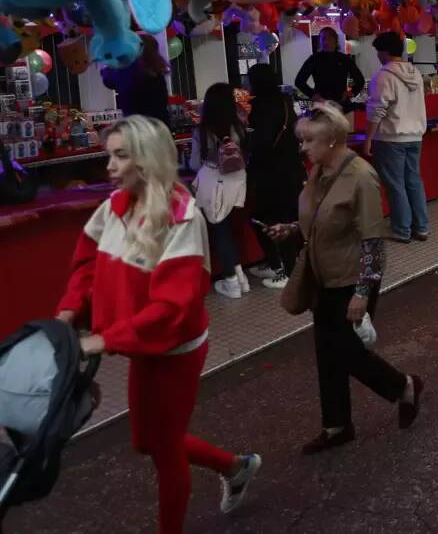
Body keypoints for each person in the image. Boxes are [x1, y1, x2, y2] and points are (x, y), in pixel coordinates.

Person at [57, 115, 261, 532]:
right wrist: (68, 311)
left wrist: (102, 340)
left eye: (120, 156)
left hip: (175, 350)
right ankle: (235, 466)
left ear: (148, 160)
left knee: (164, 448)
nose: (109, 167)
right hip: (140, 343)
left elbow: (173, 308)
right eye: (108, 156)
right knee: (145, 441)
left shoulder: (182, 217)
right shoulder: (114, 206)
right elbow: (86, 265)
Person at [264, 103, 423, 454]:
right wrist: (290, 230)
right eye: (301, 140)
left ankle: (403, 386)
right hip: (323, 277)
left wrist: (363, 293)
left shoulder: (361, 177)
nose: (302, 148)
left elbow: (373, 241)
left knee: (348, 352)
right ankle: (336, 425)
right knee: (326, 352)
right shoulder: (318, 171)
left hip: (353, 279)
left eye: (308, 141)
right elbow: (319, 220)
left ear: (333, 139)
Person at [364, 32, 429, 243]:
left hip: (391, 137)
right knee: (414, 181)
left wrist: (368, 139)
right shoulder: (416, 73)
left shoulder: (383, 76)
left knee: (395, 184)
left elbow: (377, 111)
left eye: (377, 52)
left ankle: (402, 229)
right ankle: (421, 227)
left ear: (383, 52)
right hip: (415, 136)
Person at [245, 64, 304, 288]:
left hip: (270, 172)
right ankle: (279, 264)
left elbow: (261, 141)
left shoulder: (261, 106)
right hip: (290, 168)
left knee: (268, 216)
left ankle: (285, 268)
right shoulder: (285, 100)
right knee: (281, 216)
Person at [189, 83, 248, 299]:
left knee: (220, 230)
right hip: (237, 182)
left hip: (213, 184)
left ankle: (231, 281)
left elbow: (195, 163)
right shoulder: (239, 126)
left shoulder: (203, 131)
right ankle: (240, 276)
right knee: (229, 228)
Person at [102, 33, 170, 128]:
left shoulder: (128, 72)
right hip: (160, 128)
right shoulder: (157, 73)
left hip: (137, 131)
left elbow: (107, 79)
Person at [294, 27, 365, 109]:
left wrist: (351, 92)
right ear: (320, 41)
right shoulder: (314, 59)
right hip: (321, 103)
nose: (326, 41)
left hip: (341, 102)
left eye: (329, 38)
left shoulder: (344, 59)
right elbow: (299, 81)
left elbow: (360, 80)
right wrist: (313, 95)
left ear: (335, 40)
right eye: (323, 38)